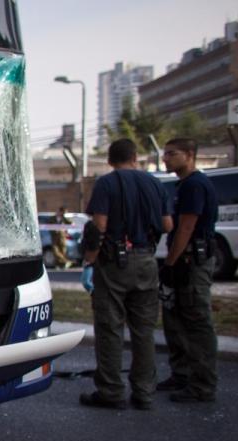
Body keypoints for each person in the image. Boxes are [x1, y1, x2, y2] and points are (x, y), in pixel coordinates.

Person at [78, 139, 173, 410]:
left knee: (110, 328)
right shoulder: (155, 184)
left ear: (110, 160)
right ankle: (144, 392)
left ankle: (111, 391)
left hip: (114, 264)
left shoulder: (107, 184)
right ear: (135, 157)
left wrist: (89, 262)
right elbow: (167, 223)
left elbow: (99, 226)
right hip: (147, 260)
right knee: (143, 331)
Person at [158, 138, 220, 403]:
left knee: (196, 322)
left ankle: (202, 384)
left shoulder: (195, 184)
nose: (166, 159)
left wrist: (170, 263)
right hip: (186, 260)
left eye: (172, 154)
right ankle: (181, 374)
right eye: (165, 154)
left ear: (190, 155)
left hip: (192, 261)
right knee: (177, 318)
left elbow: (186, 228)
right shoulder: (183, 185)